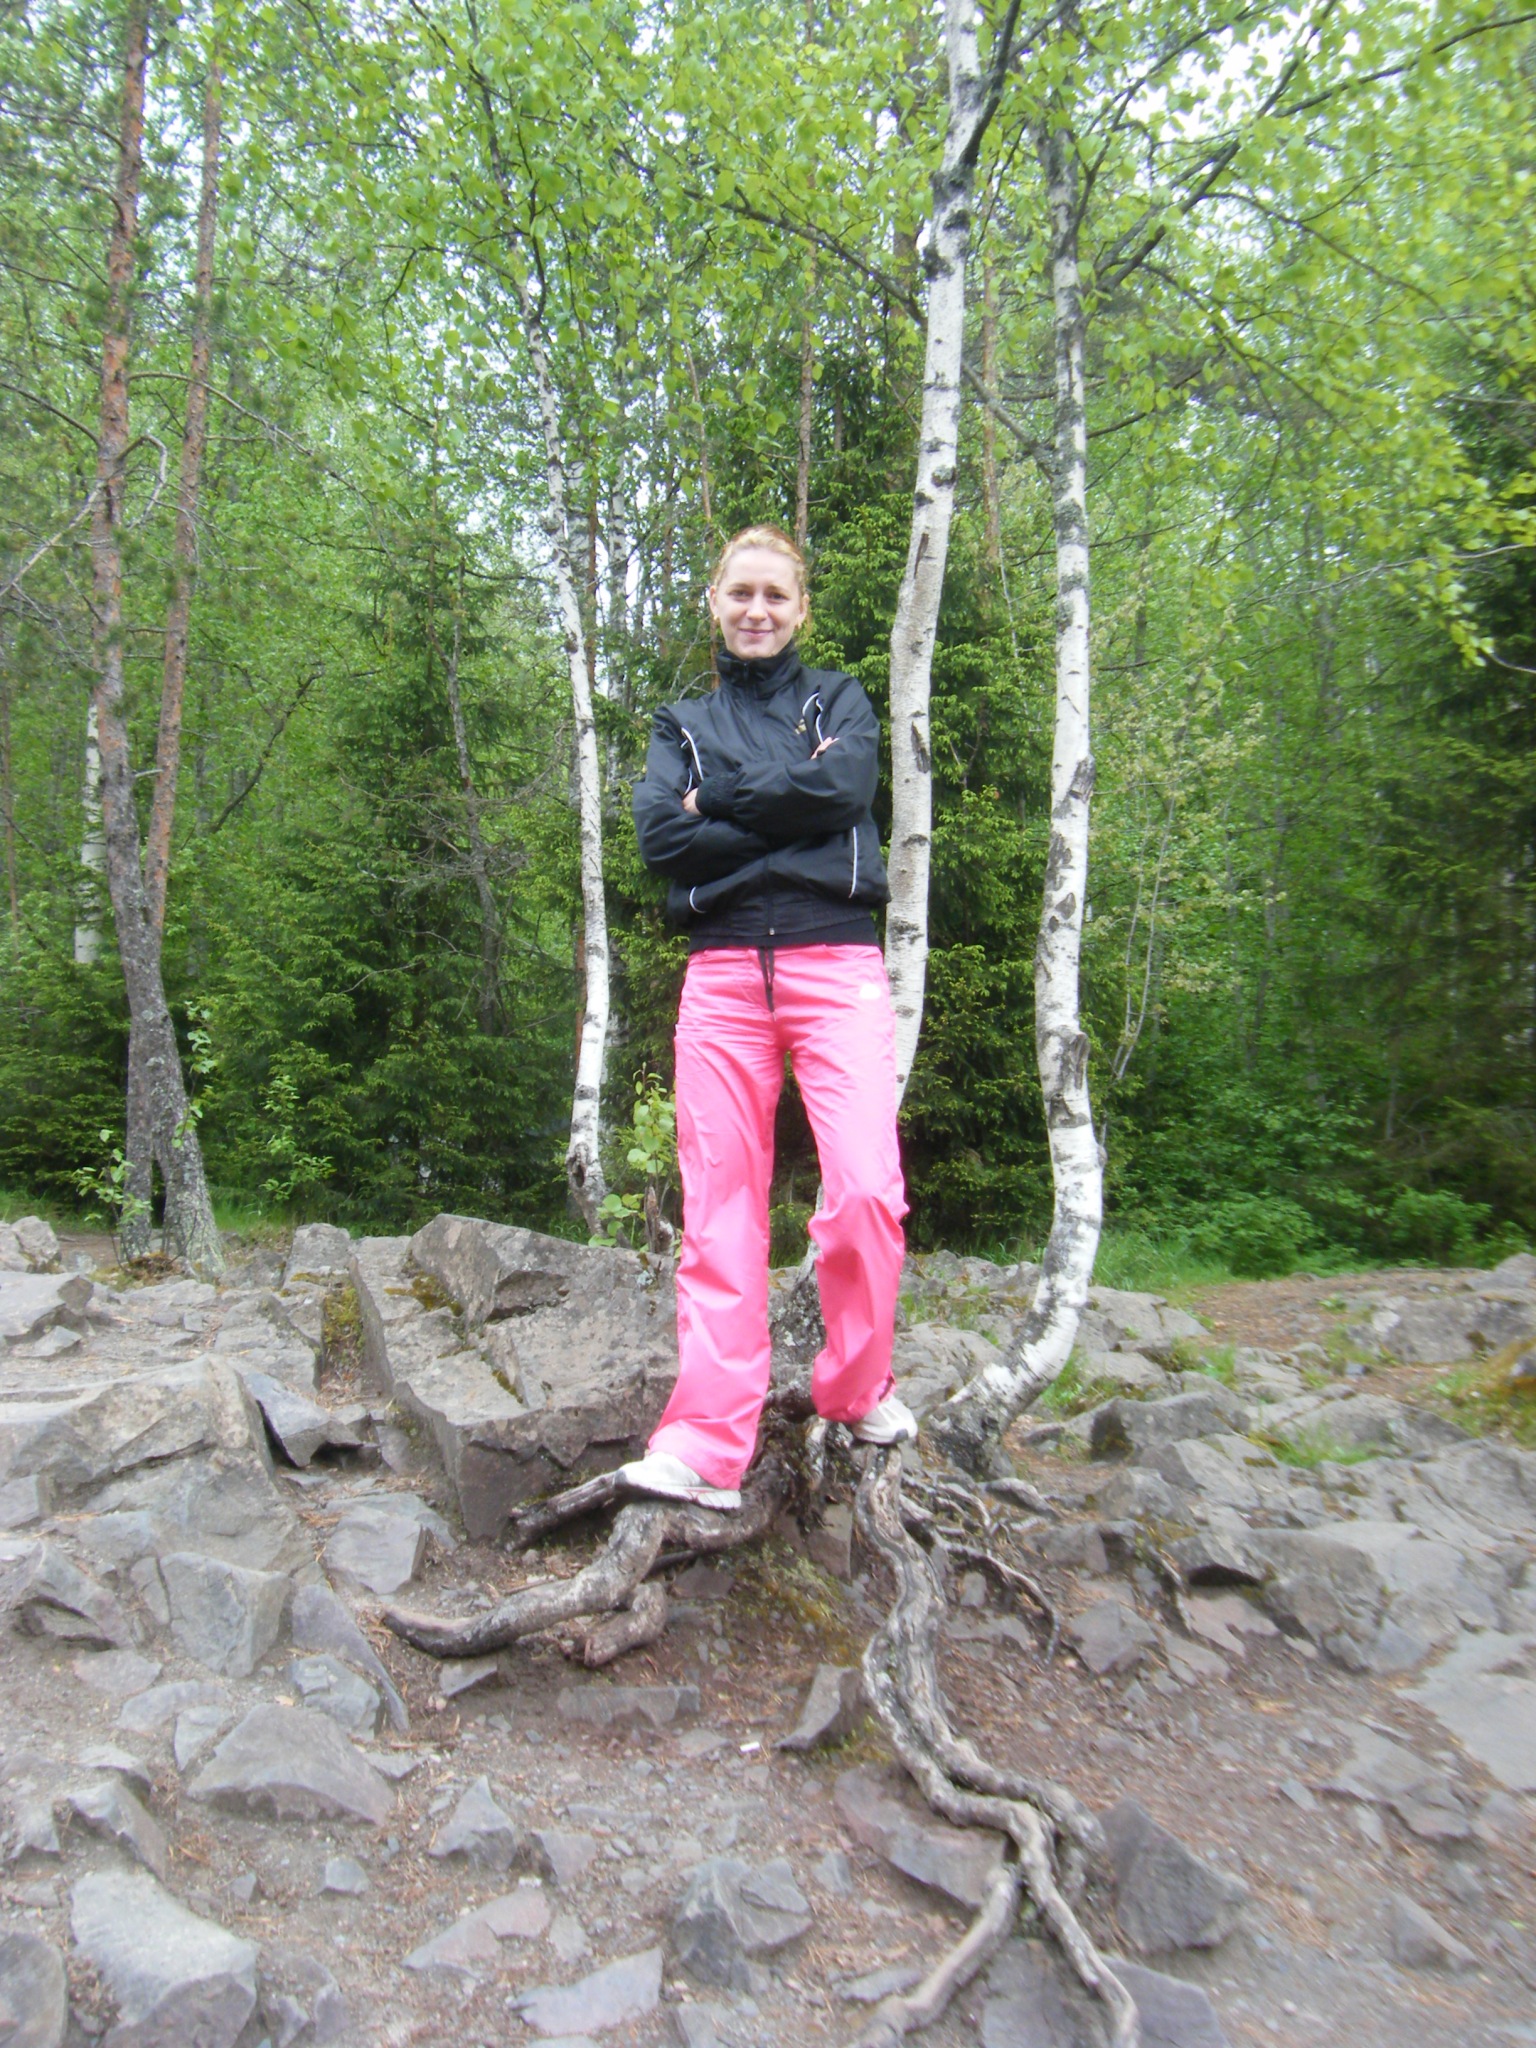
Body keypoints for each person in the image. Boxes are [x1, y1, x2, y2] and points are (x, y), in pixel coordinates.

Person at [620, 523, 917, 1512]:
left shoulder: (839, 699)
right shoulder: (680, 722)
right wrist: (794, 818)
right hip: (721, 980)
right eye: (740, 592)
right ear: (713, 600)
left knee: (866, 1191)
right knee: (719, 1215)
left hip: (838, 968)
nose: (757, 610)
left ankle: (855, 1389)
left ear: (800, 609)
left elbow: (848, 786)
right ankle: (707, 1445)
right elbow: (662, 836)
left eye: (775, 595)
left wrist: (722, 806)